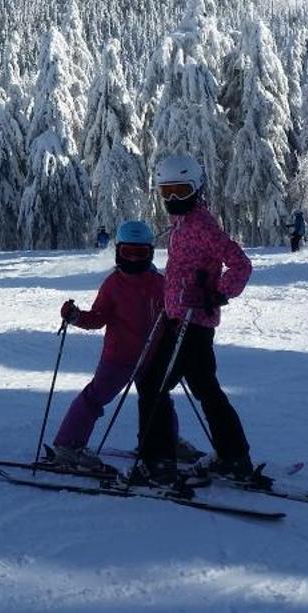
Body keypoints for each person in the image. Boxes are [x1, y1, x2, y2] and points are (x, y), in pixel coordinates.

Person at [131, 154, 259, 486]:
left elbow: (240, 264)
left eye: (180, 191)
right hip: (180, 320)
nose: (173, 199)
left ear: (196, 188)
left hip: (192, 324)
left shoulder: (201, 225)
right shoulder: (181, 224)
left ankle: (159, 462)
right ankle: (234, 457)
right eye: (166, 191)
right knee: (206, 389)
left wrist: (218, 294)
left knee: (152, 384)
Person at [48, 220, 180, 474]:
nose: (132, 259)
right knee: (94, 398)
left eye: (139, 253)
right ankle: (68, 445)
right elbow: (98, 318)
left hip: (152, 357)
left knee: (159, 401)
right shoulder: (113, 284)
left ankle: (164, 443)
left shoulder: (159, 283)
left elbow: (172, 314)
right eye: (127, 252)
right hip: (119, 358)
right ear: (118, 251)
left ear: (150, 253)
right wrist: (76, 317)